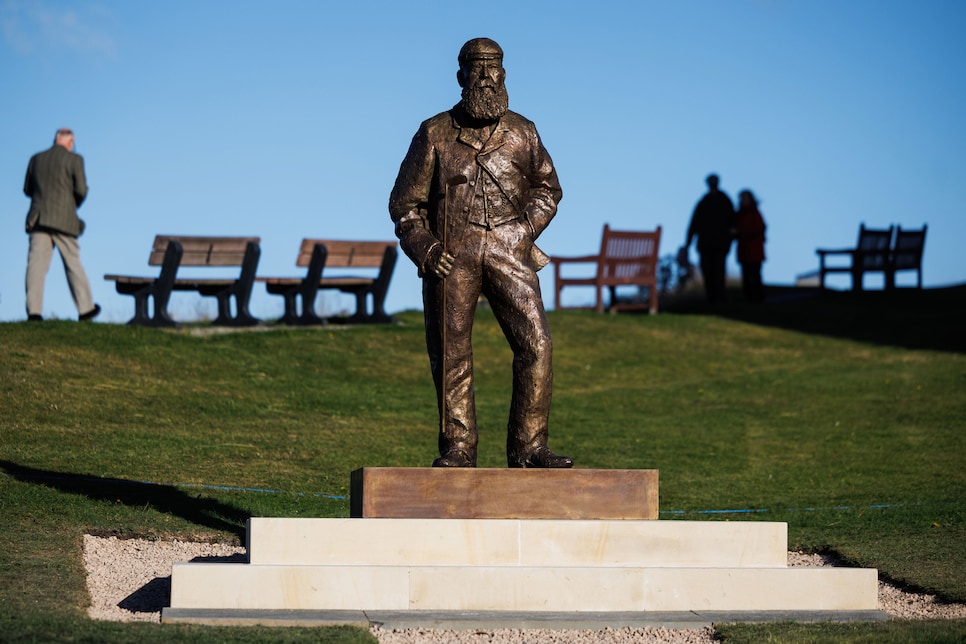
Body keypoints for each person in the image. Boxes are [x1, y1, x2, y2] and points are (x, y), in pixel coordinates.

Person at [389, 38, 572, 469]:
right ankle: (458, 447)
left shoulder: (523, 131)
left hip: (511, 249)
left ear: (505, 76)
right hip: (453, 253)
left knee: (537, 344)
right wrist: (426, 248)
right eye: (479, 69)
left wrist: (524, 230)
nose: (488, 78)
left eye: (495, 70)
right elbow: (404, 205)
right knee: (452, 350)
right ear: (461, 77)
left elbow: (549, 187)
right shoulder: (434, 132)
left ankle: (529, 449)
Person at [23, 128, 100, 322]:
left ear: (56, 139)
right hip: (64, 219)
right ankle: (86, 309)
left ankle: (34, 312)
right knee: (73, 264)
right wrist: (71, 202)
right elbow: (81, 190)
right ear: (70, 142)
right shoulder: (75, 160)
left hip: (38, 217)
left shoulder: (36, 159)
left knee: (36, 266)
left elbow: (27, 189)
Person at [685, 173, 735, 307]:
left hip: (718, 244)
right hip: (707, 244)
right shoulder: (706, 201)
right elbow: (694, 223)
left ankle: (719, 298)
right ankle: (712, 298)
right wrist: (688, 243)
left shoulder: (722, 201)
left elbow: (733, 224)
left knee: (718, 272)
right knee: (709, 272)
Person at [735, 189, 766, 303]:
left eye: (745, 198)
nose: (743, 201)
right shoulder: (739, 215)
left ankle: (757, 298)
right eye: (742, 199)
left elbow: (758, 229)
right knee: (746, 276)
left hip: (754, 251)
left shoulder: (755, 214)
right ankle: (748, 298)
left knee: (755, 276)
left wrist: (740, 232)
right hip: (744, 252)